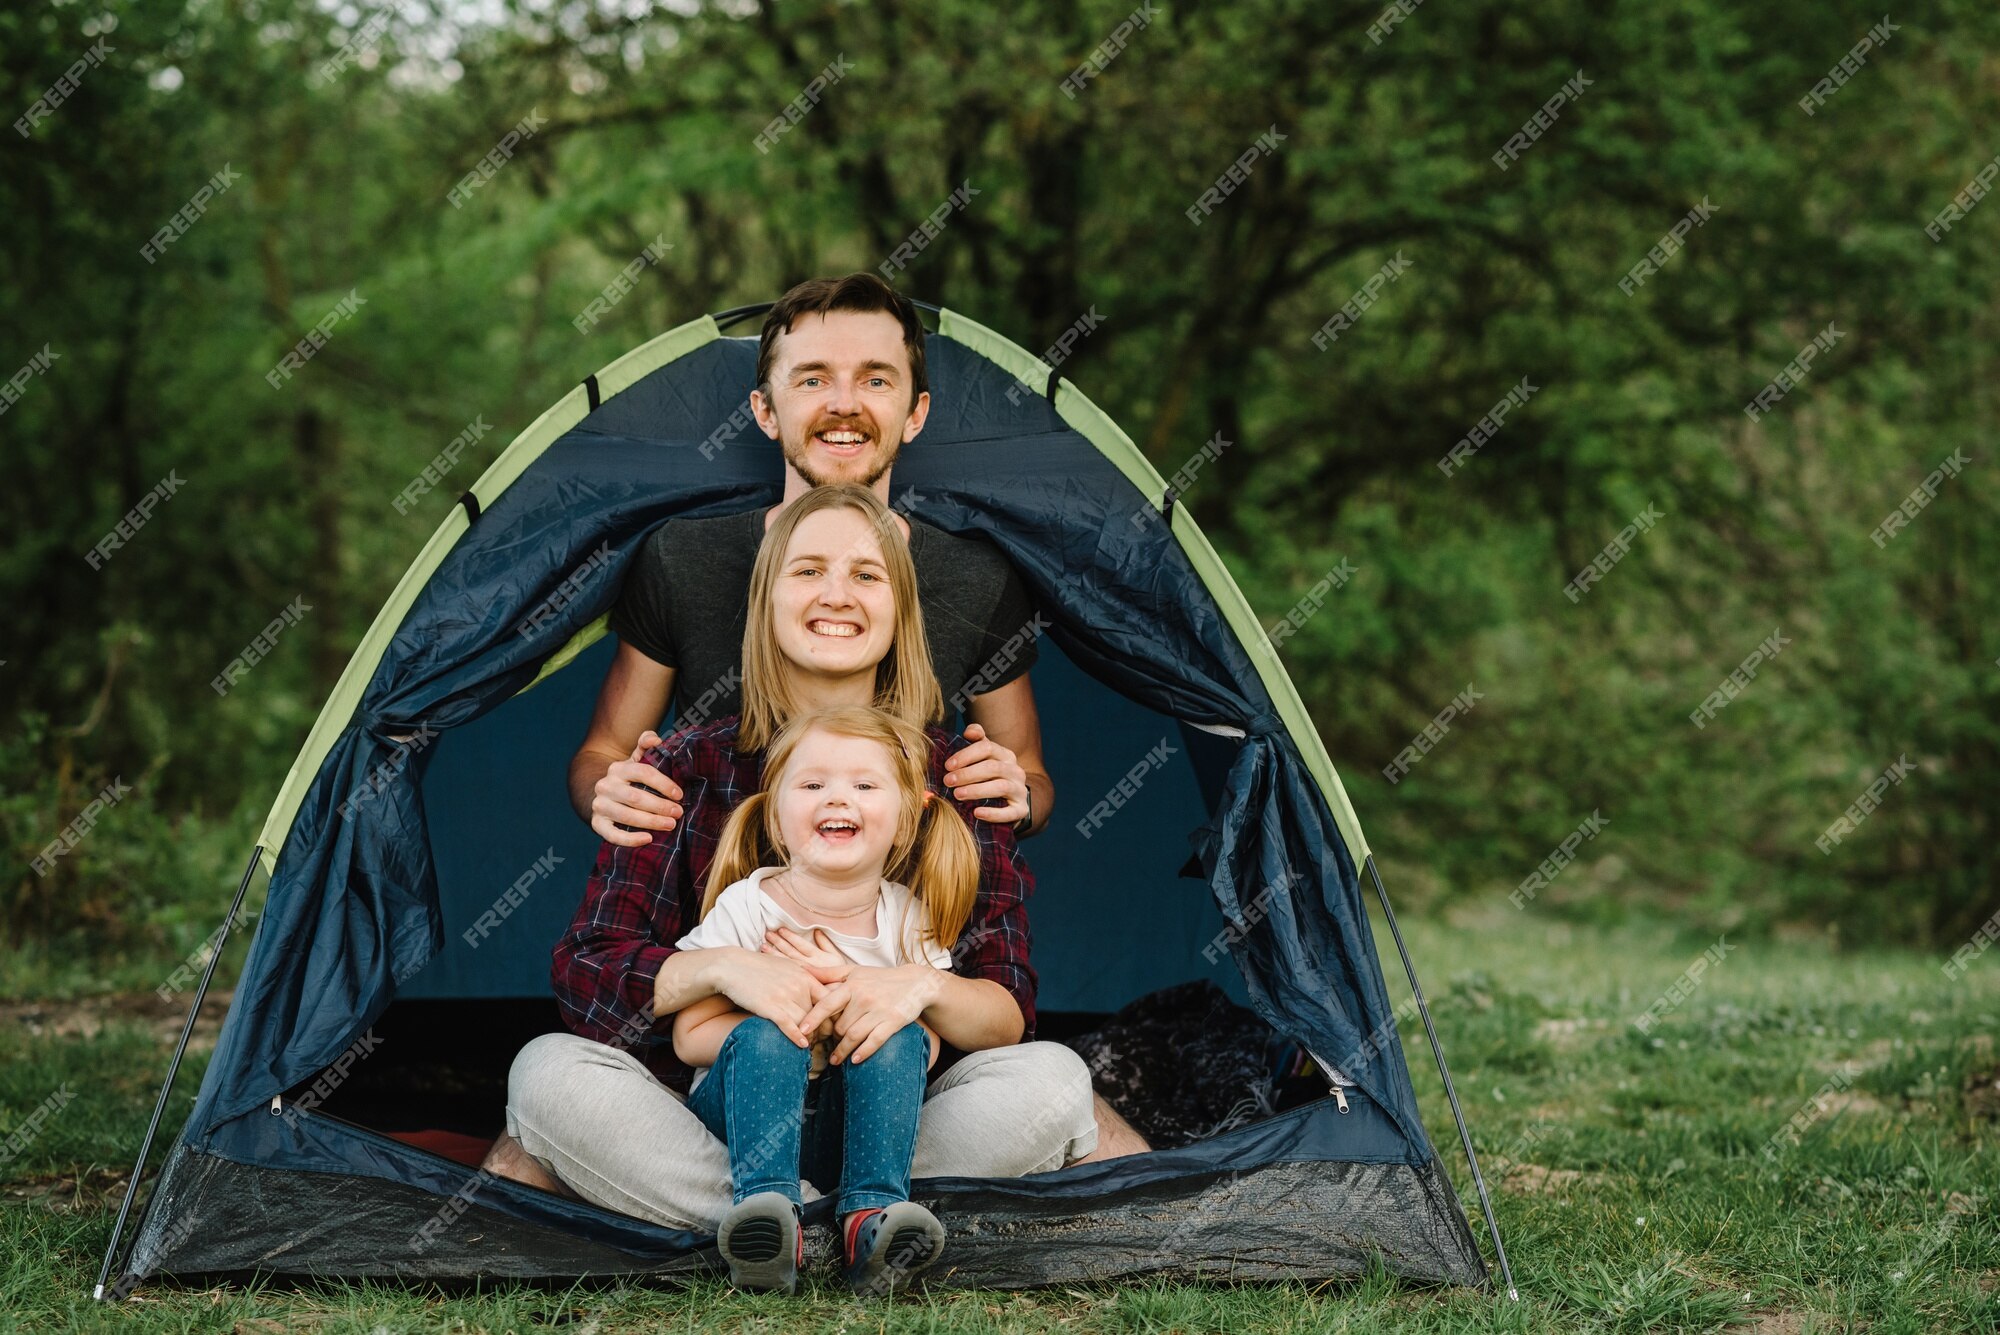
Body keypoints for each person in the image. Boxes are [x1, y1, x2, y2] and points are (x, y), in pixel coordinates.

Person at [486, 484, 1135, 1238]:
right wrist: (729, 971)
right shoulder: (684, 769)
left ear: (901, 611)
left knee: (1054, 1081)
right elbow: (588, 981)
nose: (837, 593)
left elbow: (1008, 1006)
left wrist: (910, 990)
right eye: (808, 570)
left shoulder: (957, 780)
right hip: (712, 1134)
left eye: (867, 575)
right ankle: (797, 1217)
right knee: (546, 1071)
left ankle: (840, 1212)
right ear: (765, 600)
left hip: (902, 1133)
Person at [572, 272, 1053, 851]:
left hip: (895, 912)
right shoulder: (682, 559)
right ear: (766, 411)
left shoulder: (977, 576)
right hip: (714, 909)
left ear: (916, 413)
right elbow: (602, 753)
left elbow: (1029, 773)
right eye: (813, 379)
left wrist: (1017, 797)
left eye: (875, 379)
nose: (844, 404)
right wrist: (612, 790)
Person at [675, 704, 975, 1295]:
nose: (838, 799)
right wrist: (794, 1024)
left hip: (852, 1127)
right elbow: (689, 1037)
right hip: (743, 1118)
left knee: (901, 1036)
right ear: (776, 809)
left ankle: (872, 1220)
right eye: (812, 784)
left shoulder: (907, 920)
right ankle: (767, 1216)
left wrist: (849, 1018)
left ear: (908, 814)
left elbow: (930, 1040)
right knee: (767, 1033)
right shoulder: (748, 905)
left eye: (865, 785)